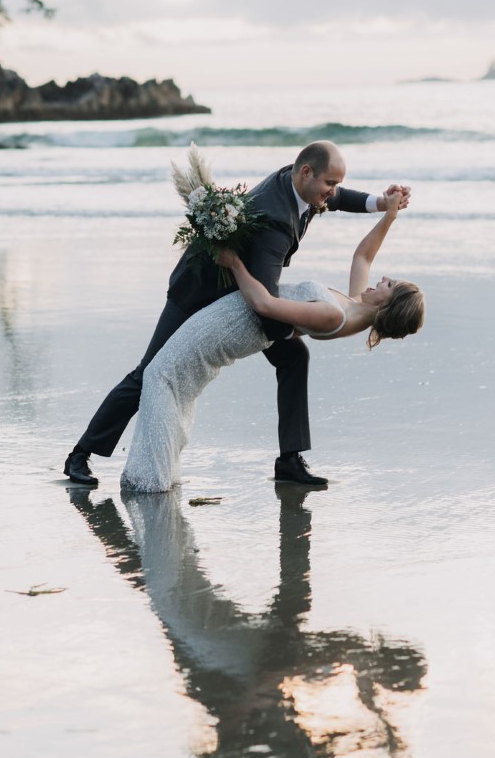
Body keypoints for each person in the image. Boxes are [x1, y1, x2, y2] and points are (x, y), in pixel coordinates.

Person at [64, 140, 410, 489]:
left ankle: (289, 460)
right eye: (330, 184)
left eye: (336, 184)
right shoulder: (276, 221)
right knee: (149, 372)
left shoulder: (292, 182)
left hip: (240, 290)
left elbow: (341, 205)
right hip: (200, 291)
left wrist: (382, 205)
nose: (333, 193)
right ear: (306, 172)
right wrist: (302, 325)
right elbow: (266, 310)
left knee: (294, 359)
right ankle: (80, 454)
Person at [119, 192, 424, 493]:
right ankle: (288, 460)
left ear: (388, 306)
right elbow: (363, 255)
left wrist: (235, 263)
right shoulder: (357, 304)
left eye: (390, 284)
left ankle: (150, 480)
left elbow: (263, 304)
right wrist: (390, 214)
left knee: (161, 375)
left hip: (235, 320)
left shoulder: (334, 315)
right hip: (239, 314)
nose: (383, 277)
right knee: (168, 374)